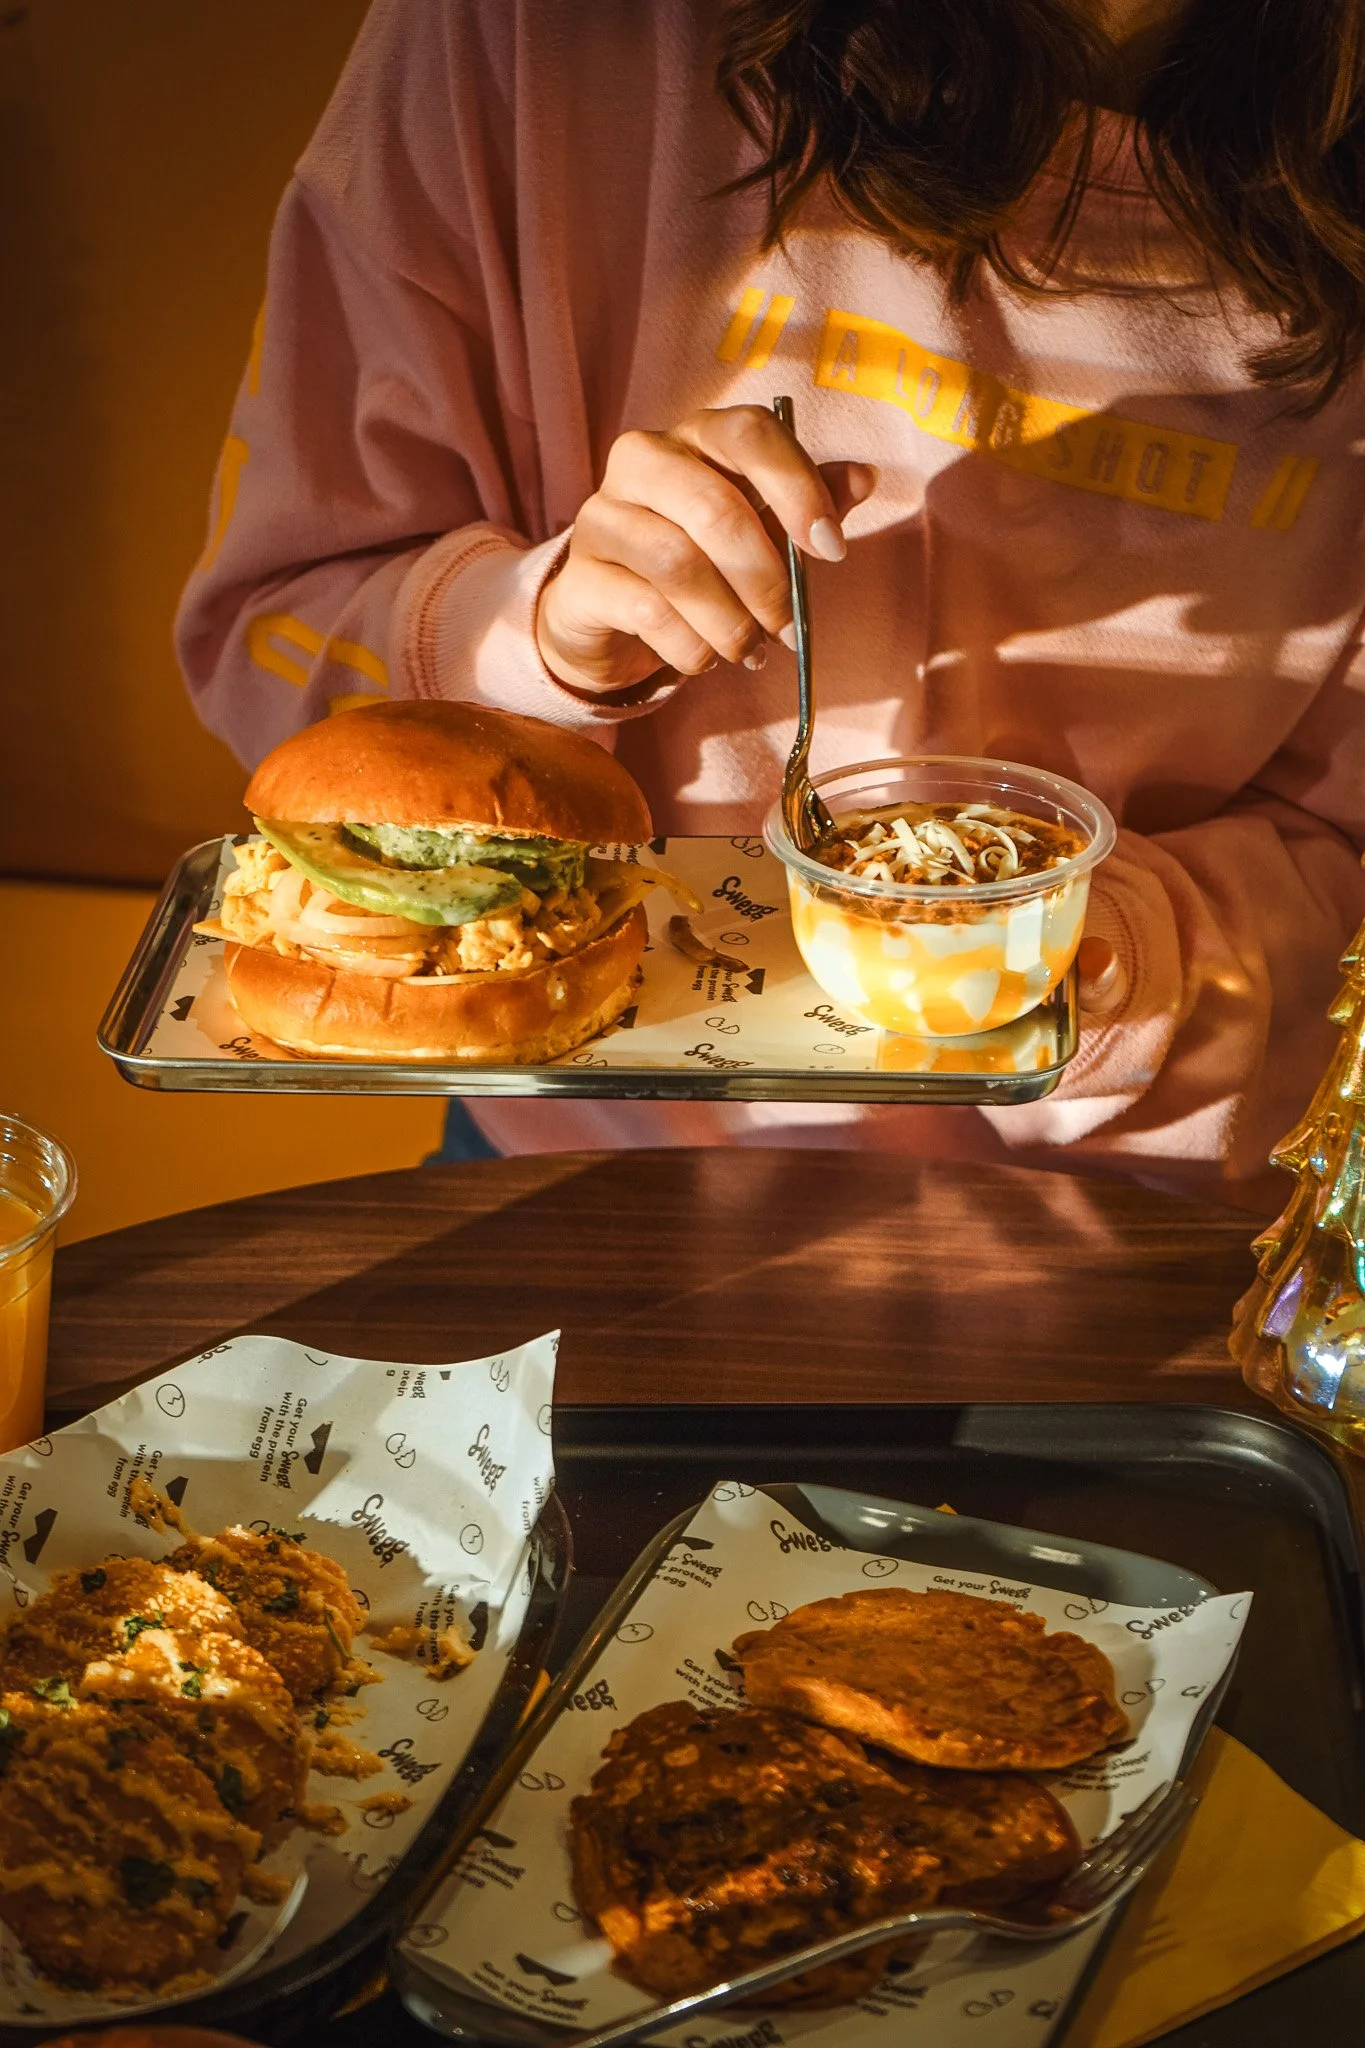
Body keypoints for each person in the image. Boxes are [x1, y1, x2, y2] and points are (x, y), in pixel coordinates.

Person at [176, 0, 1365, 1203]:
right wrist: (536, 637)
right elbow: (269, 634)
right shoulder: (536, 38)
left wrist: (1099, 952)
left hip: (1127, 1218)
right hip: (573, 1156)